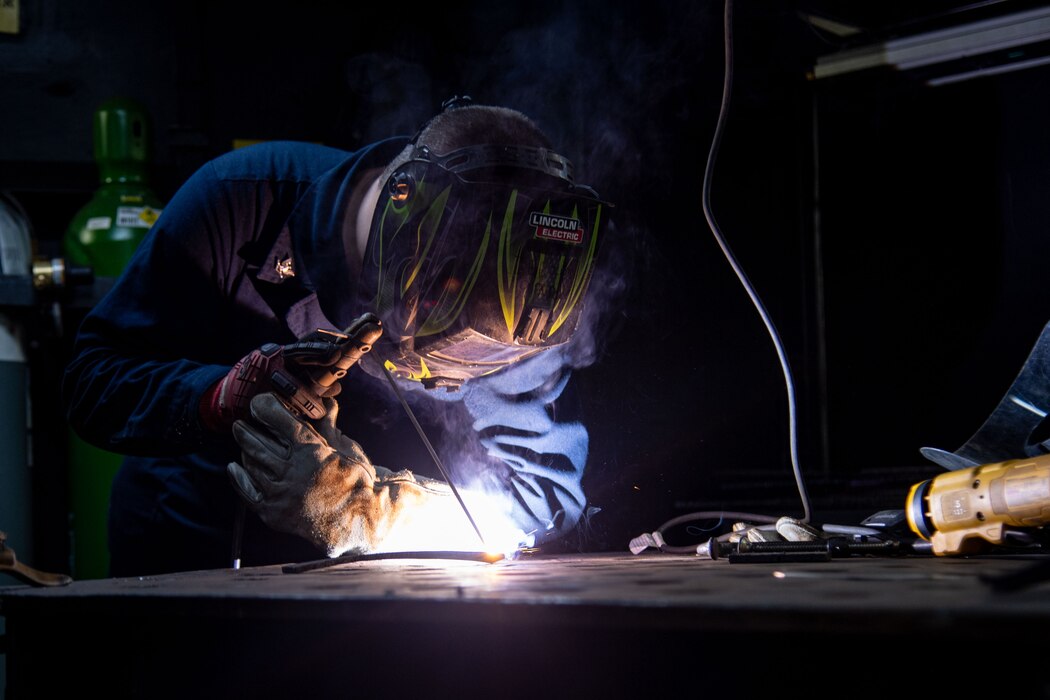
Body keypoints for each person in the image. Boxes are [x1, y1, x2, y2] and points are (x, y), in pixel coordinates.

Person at [61, 97, 612, 576]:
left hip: (374, 597)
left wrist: (371, 513)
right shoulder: (237, 201)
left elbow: (543, 499)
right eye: (438, 356)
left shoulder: (523, 302)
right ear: (401, 257)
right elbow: (92, 380)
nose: (447, 384)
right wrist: (220, 398)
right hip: (186, 551)